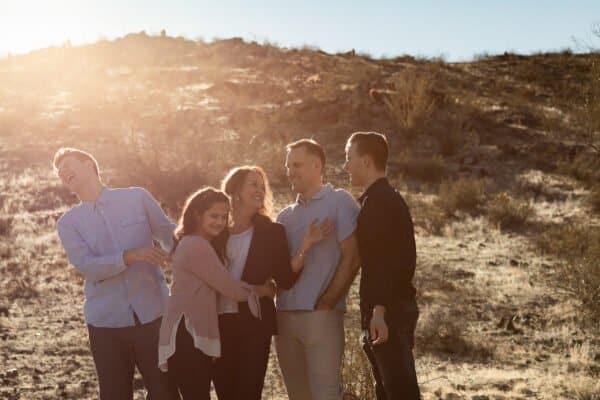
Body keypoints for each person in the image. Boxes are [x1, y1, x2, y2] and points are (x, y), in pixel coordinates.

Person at [53, 147, 179, 400]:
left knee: (165, 391)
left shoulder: (136, 198)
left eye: (67, 164)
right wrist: (129, 256)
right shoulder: (68, 223)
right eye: (58, 171)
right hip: (105, 324)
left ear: (89, 164)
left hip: (153, 315)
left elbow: (170, 235)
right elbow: (87, 266)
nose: (62, 172)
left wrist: (200, 242)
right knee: (114, 395)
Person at [211, 166, 333, 400]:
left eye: (262, 186)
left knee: (248, 394)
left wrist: (306, 245)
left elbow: (285, 278)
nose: (259, 190)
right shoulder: (216, 231)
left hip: (254, 326)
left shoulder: (272, 232)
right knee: (226, 394)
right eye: (253, 184)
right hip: (217, 324)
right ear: (236, 190)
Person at [157, 187, 268, 400]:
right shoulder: (196, 245)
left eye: (224, 217)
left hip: (187, 334)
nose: (220, 221)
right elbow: (233, 290)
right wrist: (264, 290)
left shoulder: (197, 243)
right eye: (213, 216)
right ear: (198, 215)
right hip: (186, 333)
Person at [275, 139, 360, 400]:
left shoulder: (340, 201)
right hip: (284, 319)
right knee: (297, 396)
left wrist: (329, 300)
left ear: (317, 165)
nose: (290, 171)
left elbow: (353, 256)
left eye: (297, 165)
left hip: (321, 316)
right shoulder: (284, 216)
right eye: (288, 166)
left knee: (326, 395)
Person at [344, 132, 421, 400]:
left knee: (399, 393)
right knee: (388, 392)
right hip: (389, 309)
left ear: (366, 161)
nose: (346, 166)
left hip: (387, 312)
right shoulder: (384, 199)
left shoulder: (379, 204)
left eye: (349, 158)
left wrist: (378, 312)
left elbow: (385, 263)